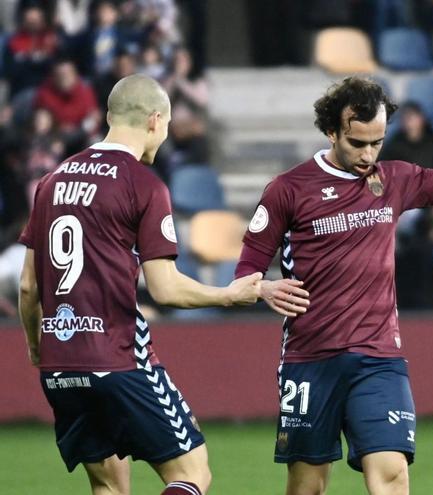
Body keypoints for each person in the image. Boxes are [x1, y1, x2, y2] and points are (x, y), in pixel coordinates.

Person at [17, 74, 306, 495]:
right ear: (155, 120)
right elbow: (165, 289)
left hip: (61, 364)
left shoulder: (52, 181)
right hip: (118, 359)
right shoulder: (142, 184)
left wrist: (37, 346)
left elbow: (28, 287)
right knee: (191, 473)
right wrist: (230, 294)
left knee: (109, 488)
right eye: (166, 125)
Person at [234, 76, 433, 495]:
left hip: (379, 358)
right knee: (308, 486)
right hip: (309, 359)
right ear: (332, 131)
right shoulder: (288, 190)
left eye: (377, 142)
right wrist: (263, 288)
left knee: (392, 474)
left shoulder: (395, 179)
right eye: (358, 143)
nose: (368, 154)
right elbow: (247, 267)